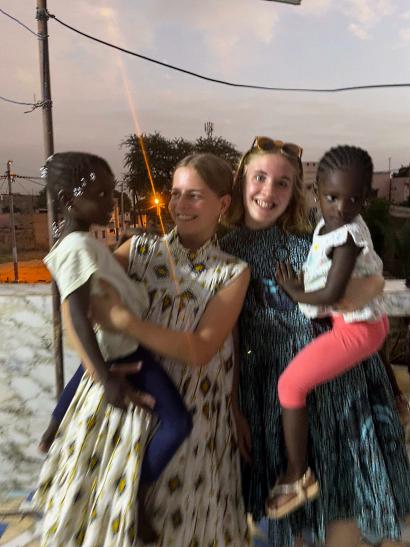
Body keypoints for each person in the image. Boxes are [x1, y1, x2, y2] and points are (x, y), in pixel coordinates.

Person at [37, 152, 251, 546]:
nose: (180, 206)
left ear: (223, 204)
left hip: (196, 416)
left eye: (195, 196)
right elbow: (76, 305)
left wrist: (125, 323)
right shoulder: (138, 250)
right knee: (114, 522)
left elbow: (202, 349)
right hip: (126, 408)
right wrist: (100, 375)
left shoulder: (232, 271)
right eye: (176, 193)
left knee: (187, 525)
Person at [221, 137, 410, 546]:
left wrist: (389, 385)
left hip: (332, 379)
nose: (268, 191)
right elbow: (229, 335)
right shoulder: (224, 249)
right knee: (276, 508)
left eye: (283, 183)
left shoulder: (314, 240)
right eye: (260, 177)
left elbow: (361, 304)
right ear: (242, 181)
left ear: (295, 194)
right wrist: (233, 404)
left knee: (340, 496)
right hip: (263, 385)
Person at [265, 145, 389, 519]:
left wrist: (293, 291)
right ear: (316, 189)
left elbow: (333, 293)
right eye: (332, 197)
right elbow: (329, 276)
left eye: (354, 199)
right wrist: (306, 281)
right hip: (357, 321)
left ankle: (298, 474)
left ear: (366, 197)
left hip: (358, 329)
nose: (341, 207)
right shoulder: (326, 225)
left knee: (290, 385)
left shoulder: (347, 236)